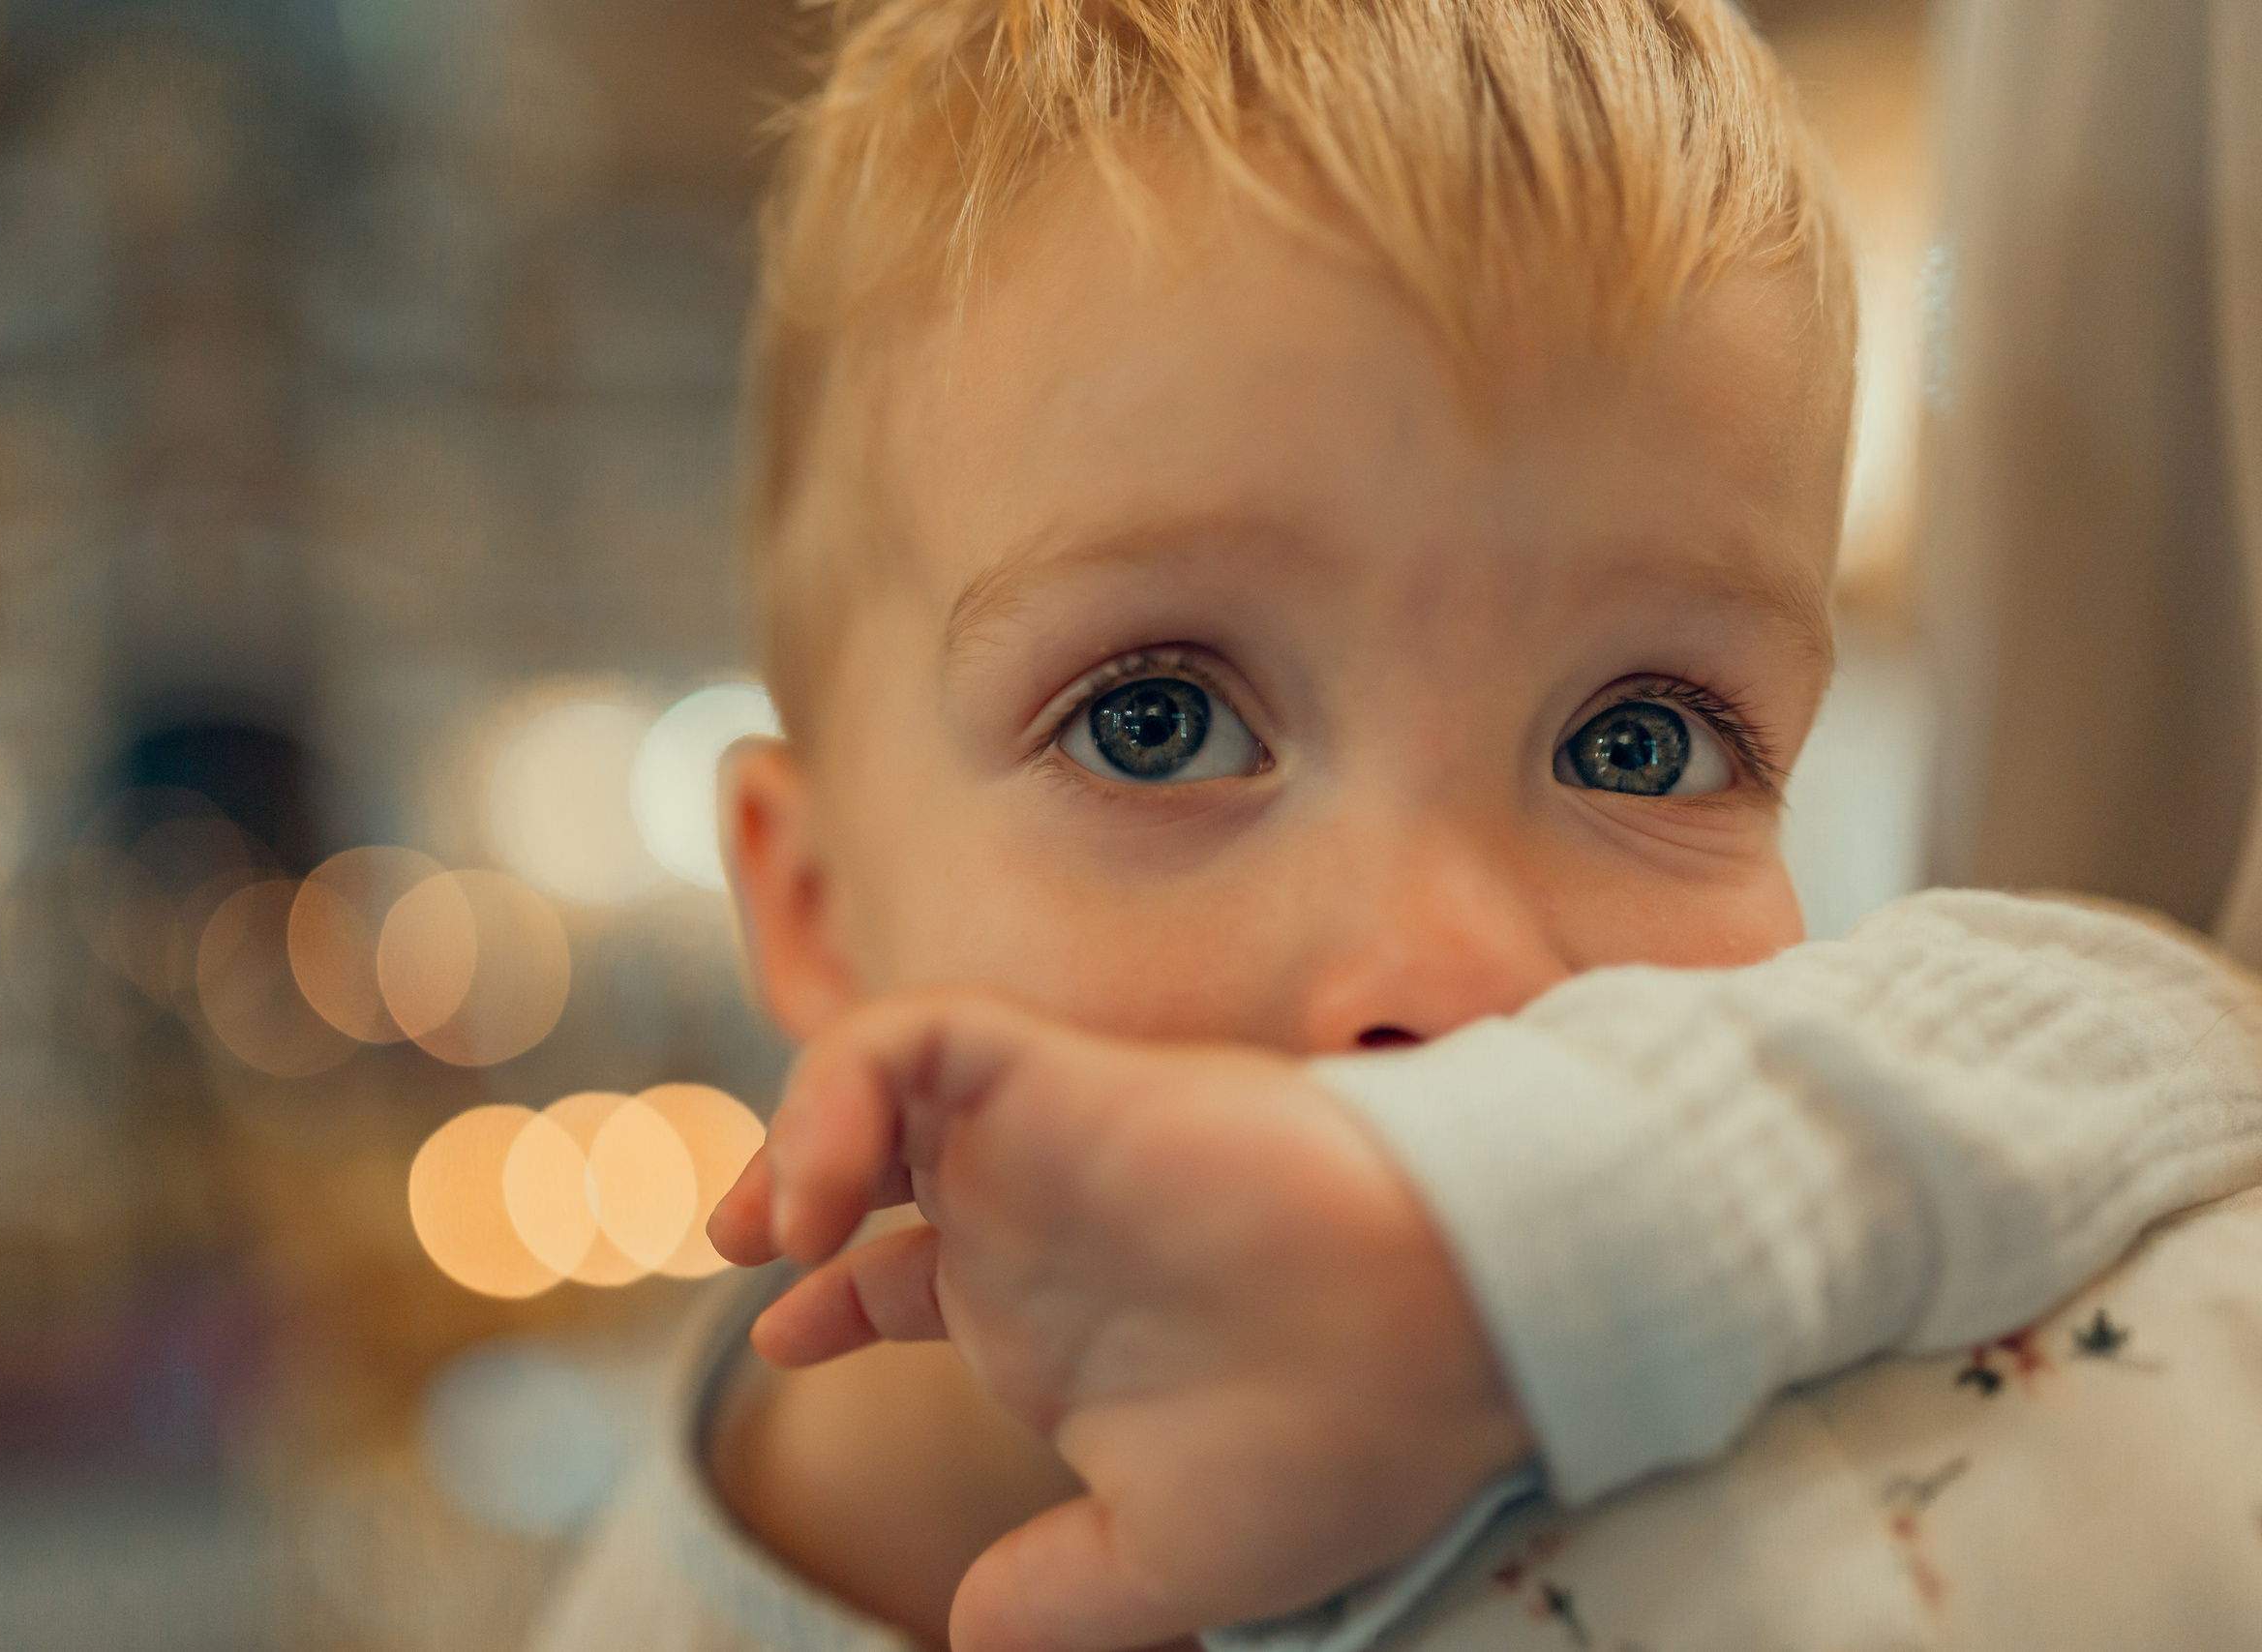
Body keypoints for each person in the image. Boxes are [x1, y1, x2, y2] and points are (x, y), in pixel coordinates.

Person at [528, 3, 2262, 1649]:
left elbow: (2187, 1037)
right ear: (816, 903)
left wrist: (1562, 1242)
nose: (1447, 972)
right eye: (1158, 723)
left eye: (1642, 746)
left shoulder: (1686, 1352)